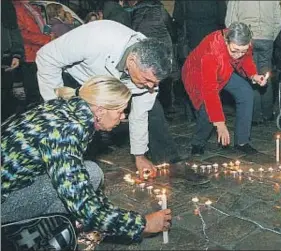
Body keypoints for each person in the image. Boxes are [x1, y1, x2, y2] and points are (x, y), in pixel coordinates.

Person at [1, 76, 172, 250]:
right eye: (120, 111)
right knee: (89, 178)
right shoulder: (66, 131)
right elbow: (82, 204)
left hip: (14, 185)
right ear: (100, 110)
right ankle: (35, 236)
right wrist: (142, 224)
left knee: (90, 172)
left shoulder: (67, 108)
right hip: (4, 201)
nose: (122, 117)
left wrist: (108, 212)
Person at [36, 20, 180, 179]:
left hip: (108, 87)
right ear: (132, 61)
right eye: (147, 80)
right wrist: (56, 108)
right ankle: (68, 172)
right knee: (75, 129)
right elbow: (46, 57)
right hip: (74, 78)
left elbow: (139, 115)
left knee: (153, 111)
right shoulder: (98, 37)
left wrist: (139, 156)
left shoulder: (150, 76)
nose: (151, 87)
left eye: (155, 83)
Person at [182, 22, 267, 156]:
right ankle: (198, 143)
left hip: (223, 69)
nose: (238, 55)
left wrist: (254, 75)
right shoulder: (212, 50)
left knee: (245, 92)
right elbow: (210, 90)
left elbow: (247, 58)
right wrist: (220, 124)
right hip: (197, 73)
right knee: (207, 107)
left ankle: (242, 142)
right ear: (227, 40)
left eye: (242, 51)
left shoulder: (243, 42)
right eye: (234, 51)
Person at [225, 1, 281, 125]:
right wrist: (271, 36)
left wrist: (236, 39)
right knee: (265, 73)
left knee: (251, 75)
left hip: (246, 38)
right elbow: (278, 21)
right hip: (267, 38)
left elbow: (230, 20)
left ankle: (255, 115)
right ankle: (267, 113)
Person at [127, 0, 178, 117]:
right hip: (163, 48)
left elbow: (133, 30)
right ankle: (167, 108)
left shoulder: (136, 12)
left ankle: (150, 108)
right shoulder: (160, 10)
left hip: (145, 51)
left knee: (146, 79)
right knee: (164, 79)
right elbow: (171, 29)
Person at [13, 0, 52, 108]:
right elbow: (21, 34)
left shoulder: (32, 7)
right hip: (29, 55)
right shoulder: (16, 7)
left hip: (40, 52)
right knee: (33, 93)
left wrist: (48, 33)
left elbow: (38, 28)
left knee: (41, 90)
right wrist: (46, 39)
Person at [1, 0, 24, 121]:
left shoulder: (5, 5)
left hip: (4, 62)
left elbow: (13, 29)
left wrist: (16, 54)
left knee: (4, 98)